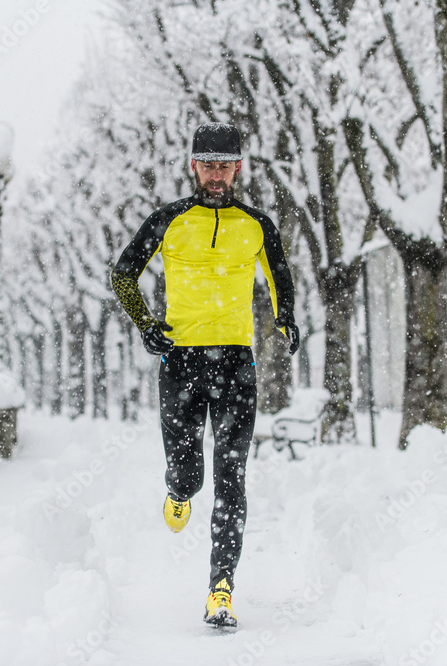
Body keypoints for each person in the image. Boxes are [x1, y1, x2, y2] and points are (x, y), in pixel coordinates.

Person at [111, 122, 298, 627]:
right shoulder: (169, 219)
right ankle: (177, 489)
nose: (217, 174)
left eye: (225, 165)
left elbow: (280, 276)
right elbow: (123, 273)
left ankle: (221, 586)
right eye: (208, 164)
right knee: (191, 475)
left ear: (238, 167)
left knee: (231, 477)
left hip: (237, 363)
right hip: (181, 363)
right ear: (193, 165)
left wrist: (286, 318)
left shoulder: (256, 225)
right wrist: (147, 325)